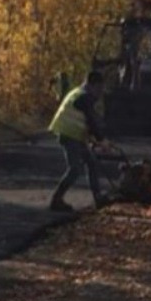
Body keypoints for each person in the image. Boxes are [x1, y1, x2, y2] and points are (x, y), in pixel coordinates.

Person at [48, 71, 112, 212]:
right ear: (92, 85)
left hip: (75, 135)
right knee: (75, 169)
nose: (100, 93)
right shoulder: (83, 98)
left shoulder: (79, 93)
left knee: (92, 162)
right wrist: (102, 141)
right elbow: (91, 120)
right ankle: (56, 200)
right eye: (99, 88)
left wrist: (92, 139)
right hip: (68, 134)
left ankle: (98, 198)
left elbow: (85, 122)